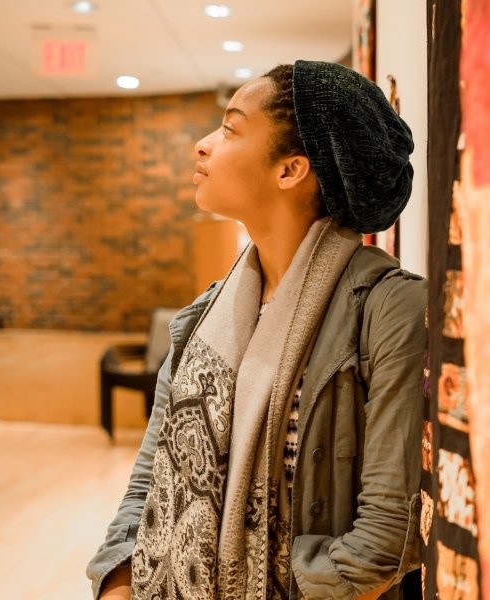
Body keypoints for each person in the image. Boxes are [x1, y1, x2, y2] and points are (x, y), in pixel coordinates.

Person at [86, 61, 427, 600]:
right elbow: (148, 480)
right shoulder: (202, 316)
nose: (203, 145)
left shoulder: (388, 309)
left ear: (290, 170)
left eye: (229, 128)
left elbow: (387, 534)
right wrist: (119, 582)